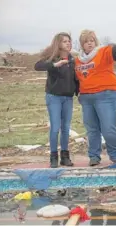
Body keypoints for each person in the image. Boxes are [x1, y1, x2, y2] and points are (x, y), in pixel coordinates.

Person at [75, 29, 116, 166]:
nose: (89, 44)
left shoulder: (102, 52)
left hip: (105, 95)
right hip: (86, 98)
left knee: (108, 128)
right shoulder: (78, 60)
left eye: (91, 41)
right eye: (86, 42)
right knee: (92, 129)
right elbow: (76, 79)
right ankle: (94, 157)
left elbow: (114, 52)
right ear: (82, 44)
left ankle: (114, 155)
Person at [34, 32, 79, 168]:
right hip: (54, 97)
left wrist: (79, 93)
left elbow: (75, 80)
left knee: (65, 128)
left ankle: (65, 156)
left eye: (69, 41)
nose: (68, 43)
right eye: (65, 41)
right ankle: (53, 156)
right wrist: (55, 65)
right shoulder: (52, 58)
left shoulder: (72, 60)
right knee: (55, 127)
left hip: (68, 98)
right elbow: (37, 66)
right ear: (58, 43)